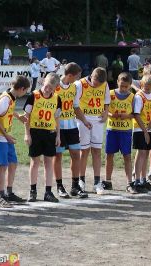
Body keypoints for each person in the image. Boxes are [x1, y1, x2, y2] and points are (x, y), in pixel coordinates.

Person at [0, 76, 30, 207]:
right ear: (21, 89)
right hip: (0, 137)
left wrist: (17, 116)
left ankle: (9, 193)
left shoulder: (11, 96)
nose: (25, 93)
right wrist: (5, 135)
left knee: (13, 163)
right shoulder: (5, 99)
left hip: (6, 136)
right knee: (3, 167)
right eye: (25, 91)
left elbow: (8, 110)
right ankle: (1, 196)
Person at [24, 73, 62, 202]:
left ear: (56, 88)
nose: (48, 89)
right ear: (43, 82)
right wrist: (27, 134)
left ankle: (48, 192)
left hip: (50, 133)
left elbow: (57, 118)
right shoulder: (33, 96)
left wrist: (58, 136)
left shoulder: (57, 98)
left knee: (48, 163)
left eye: (51, 88)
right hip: (35, 131)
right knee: (35, 162)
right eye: (47, 86)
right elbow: (26, 117)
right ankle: (32, 191)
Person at [53, 63, 88, 199]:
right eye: (77, 76)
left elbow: (75, 106)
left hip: (72, 126)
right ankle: (59, 186)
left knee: (76, 154)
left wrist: (84, 121)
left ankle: (75, 186)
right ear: (69, 75)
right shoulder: (56, 87)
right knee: (58, 156)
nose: (79, 78)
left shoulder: (74, 87)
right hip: (58, 127)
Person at [74, 67, 110, 194]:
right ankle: (81, 180)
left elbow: (106, 101)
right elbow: (75, 105)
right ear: (92, 76)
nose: (97, 86)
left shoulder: (105, 85)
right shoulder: (80, 84)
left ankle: (96, 182)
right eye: (96, 83)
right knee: (84, 151)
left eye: (100, 84)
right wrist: (83, 120)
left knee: (97, 151)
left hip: (98, 121)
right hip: (83, 120)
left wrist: (106, 112)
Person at [104, 72, 137, 194]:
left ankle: (129, 183)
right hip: (112, 129)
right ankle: (108, 181)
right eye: (121, 85)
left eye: (126, 86)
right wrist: (111, 114)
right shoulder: (111, 94)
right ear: (117, 82)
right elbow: (104, 110)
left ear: (130, 85)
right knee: (109, 155)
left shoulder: (132, 97)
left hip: (126, 131)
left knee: (127, 156)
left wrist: (127, 115)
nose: (123, 88)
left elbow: (136, 114)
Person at [132, 75, 151, 193]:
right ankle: (136, 179)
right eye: (146, 87)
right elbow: (136, 114)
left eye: (150, 87)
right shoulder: (139, 96)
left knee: (147, 153)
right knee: (141, 152)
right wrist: (144, 131)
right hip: (139, 128)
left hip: (149, 127)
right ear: (142, 85)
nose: (148, 90)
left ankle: (143, 180)